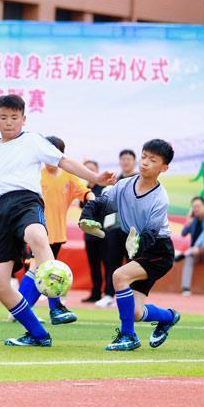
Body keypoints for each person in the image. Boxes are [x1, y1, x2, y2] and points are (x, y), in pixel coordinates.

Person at [0, 94, 114, 347]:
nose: (9, 122)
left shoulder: (33, 140)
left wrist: (94, 178)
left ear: (24, 119)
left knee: (37, 236)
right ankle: (37, 334)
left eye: (14, 117)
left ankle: (56, 306)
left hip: (27, 202)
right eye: (4, 117)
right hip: (1, 210)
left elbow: (63, 161)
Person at [79, 139, 180, 351]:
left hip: (158, 251)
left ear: (164, 168)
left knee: (119, 276)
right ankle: (168, 317)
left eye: (152, 160)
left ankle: (128, 336)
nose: (145, 162)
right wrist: (87, 216)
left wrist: (137, 245)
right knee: (135, 312)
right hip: (137, 247)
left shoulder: (160, 199)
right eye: (144, 157)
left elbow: (151, 234)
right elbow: (102, 203)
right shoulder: (124, 185)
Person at [32, 135, 94, 324]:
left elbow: (85, 192)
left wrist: (94, 202)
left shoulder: (69, 176)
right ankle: (50, 308)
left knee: (42, 272)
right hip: (37, 232)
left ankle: (23, 310)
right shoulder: (36, 176)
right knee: (39, 270)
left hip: (58, 234)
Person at [96, 148, 138, 308]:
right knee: (112, 262)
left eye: (129, 159)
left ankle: (133, 296)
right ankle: (108, 295)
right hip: (114, 227)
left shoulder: (139, 180)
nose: (125, 162)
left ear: (134, 162)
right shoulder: (114, 181)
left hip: (133, 230)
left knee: (132, 262)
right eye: (123, 159)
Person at [180, 196, 204, 296]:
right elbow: (183, 234)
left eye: (198, 206)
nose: (196, 209)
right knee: (189, 258)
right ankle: (185, 289)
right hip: (196, 253)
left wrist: (197, 246)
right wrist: (188, 222)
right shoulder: (193, 220)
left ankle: (187, 253)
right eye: (194, 207)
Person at [82, 160, 106, 303]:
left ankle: (109, 293)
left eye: (92, 169)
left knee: (107, 263)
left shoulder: (103, 188)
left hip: (103, 233)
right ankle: (95, 293)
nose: (89, 172)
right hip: (89, 234)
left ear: (97, 171)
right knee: (93, 265)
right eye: (86, 169)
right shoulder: (85, 190)